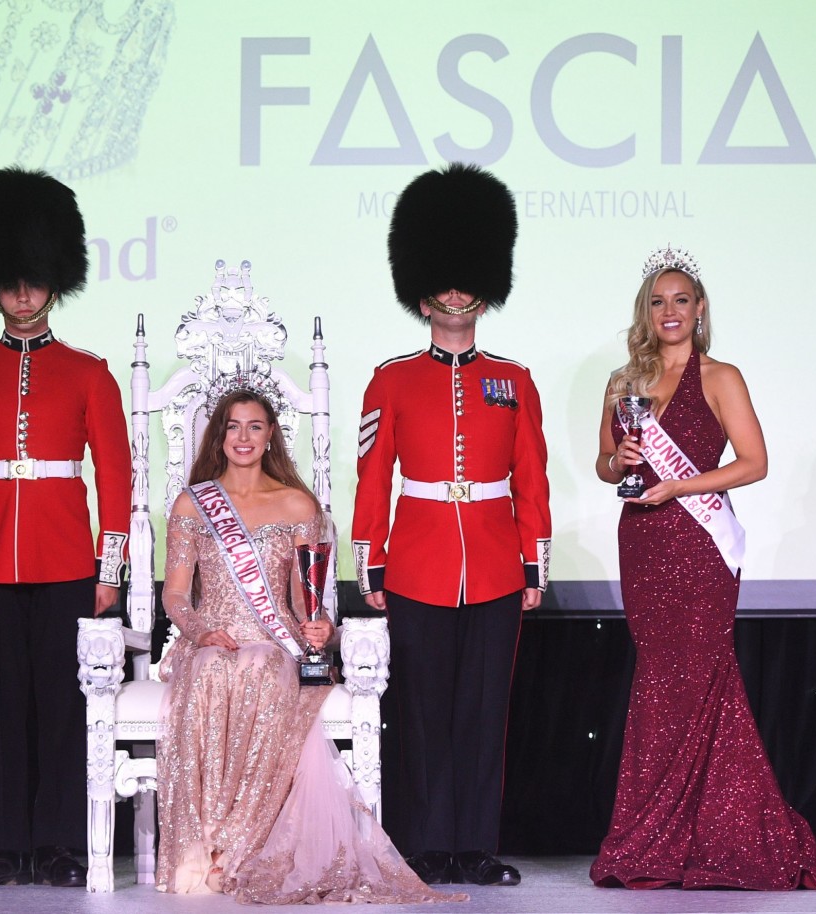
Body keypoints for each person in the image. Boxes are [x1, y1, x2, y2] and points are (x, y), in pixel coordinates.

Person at [589, 247, 816, 890]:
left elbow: (754, 463)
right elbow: (603, 465)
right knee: (658, 684)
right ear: (644, 313)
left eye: (681, 300)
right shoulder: (623, 383)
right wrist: (617, 460)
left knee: (700, 684)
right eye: (658, 302)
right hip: (643, 543)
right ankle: (658, 837)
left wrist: (680, 487)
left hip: (699, 546)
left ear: (699, 309)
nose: (669, 311)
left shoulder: (720, 376)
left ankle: (702, 837)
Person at [156, 380, 463, 905]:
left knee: (259, 667)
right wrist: (200, 630)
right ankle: (202, 845)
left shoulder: (297, 504)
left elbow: (307, 601)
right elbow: (176, 594)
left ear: (271, 435)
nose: (243, 438)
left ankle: (241, 848)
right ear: (219, 436)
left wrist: (322, 626)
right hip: (210, 638)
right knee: (211, 670)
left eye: (255, 427)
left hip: (274, 643)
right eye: (233, 427)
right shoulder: (194, 503)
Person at [351, 163, 551, 887]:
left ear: (485, 287)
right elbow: (374, 477)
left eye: (468, 280)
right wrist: (371, 560)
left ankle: (475, 847)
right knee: (424, 712)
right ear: (422, 290)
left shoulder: (513, 380)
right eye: (444, 280)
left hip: (495, 564)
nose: (457, 293)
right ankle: (429, 846)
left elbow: (531, 478)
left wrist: (534, 562)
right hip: (418, 562)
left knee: (483, 714)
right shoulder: (392, 379)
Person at [0, 167, 132, 888]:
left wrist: (109, 569)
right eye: (11, 281)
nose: (22, 294)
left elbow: (116, 479)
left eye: (34, 280)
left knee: (62, 708)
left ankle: (59, 844)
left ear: (55, 282)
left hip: (66, 560)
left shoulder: (89, 372)